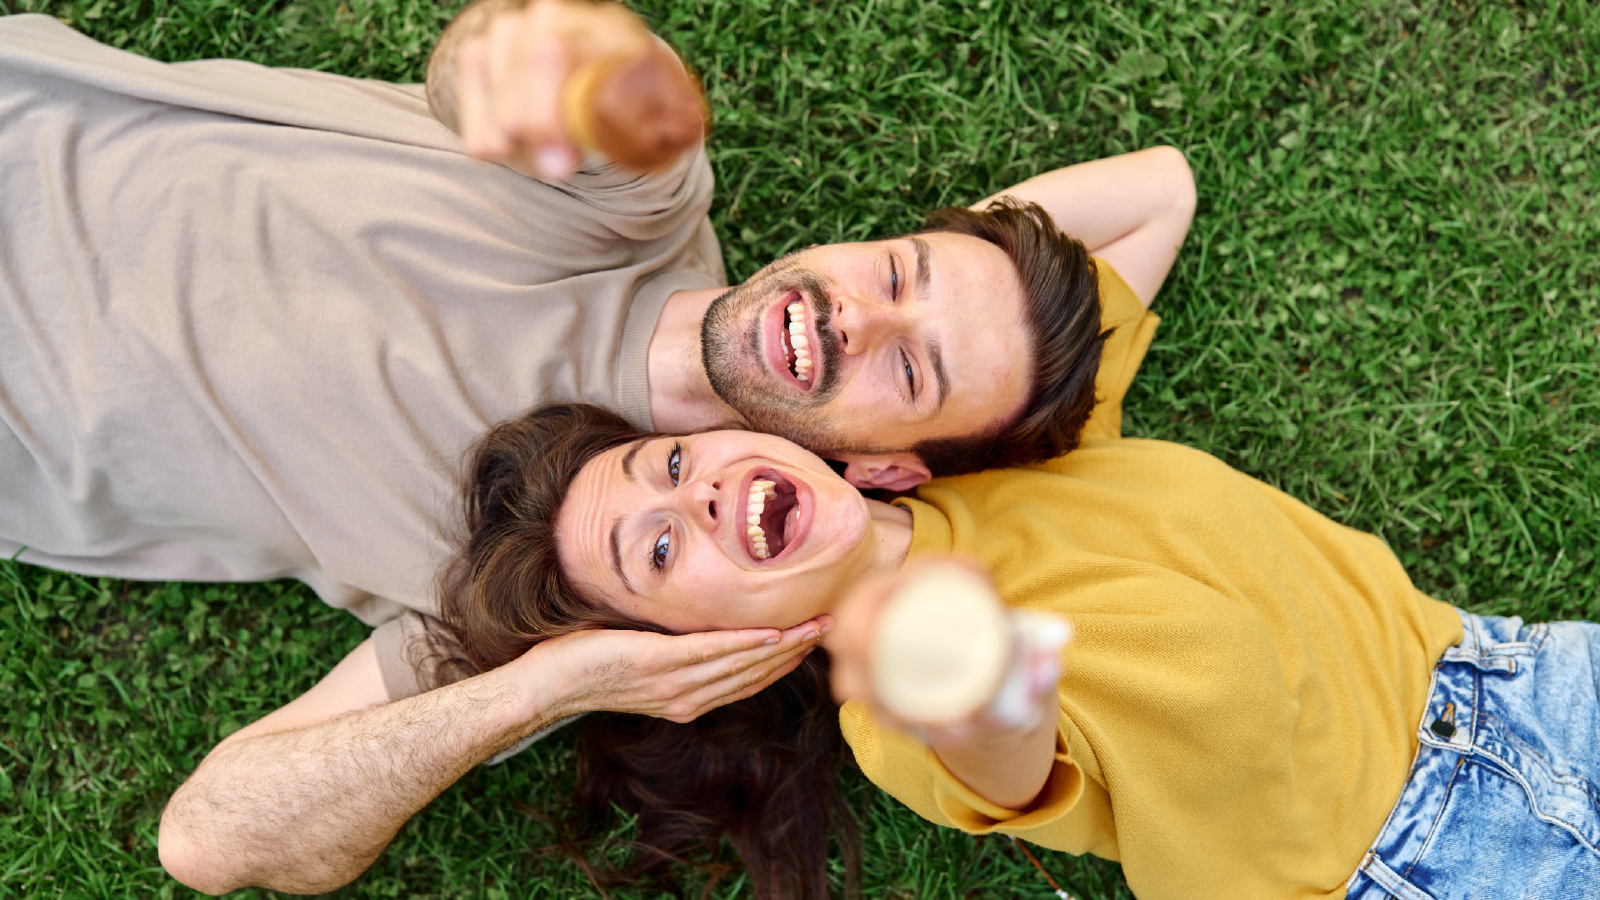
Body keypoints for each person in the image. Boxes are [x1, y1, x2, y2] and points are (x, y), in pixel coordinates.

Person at [162, 254, 1599, 898]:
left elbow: (1149, 193)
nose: (703, 499)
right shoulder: (890, 714)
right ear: (706, 651)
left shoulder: (1001, 454)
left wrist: (871, 337)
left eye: (676, 468)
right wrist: (957, 666)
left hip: (1528, 676)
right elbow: (1006, 746)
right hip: (1432, 868)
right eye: (658, 555)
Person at [0, 2, 1193, 728]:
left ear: (889, 466)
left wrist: (547, 688)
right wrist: (925, 305)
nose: (844, 320)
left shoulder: (578, 572)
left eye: (912, 374)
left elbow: (225, 841)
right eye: (886, 270)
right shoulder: (642, 202)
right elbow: (1161, 185)